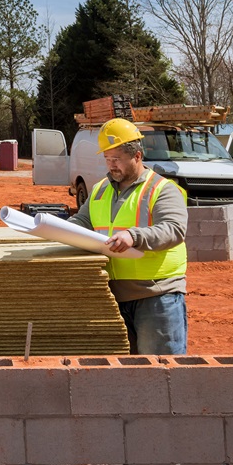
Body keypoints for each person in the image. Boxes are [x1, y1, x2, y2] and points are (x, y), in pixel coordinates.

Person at [67, 117, 189, 354]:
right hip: (112, 294)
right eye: (107, 159)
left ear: (137, 156)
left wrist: (134, 236)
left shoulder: (162, 189)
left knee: (160, 371)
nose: (111, 165)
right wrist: (55, 230)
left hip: (156, 295)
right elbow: (82, 222)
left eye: (117, 159)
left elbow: (174, 229)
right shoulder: (100, 189)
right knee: (125, 372)